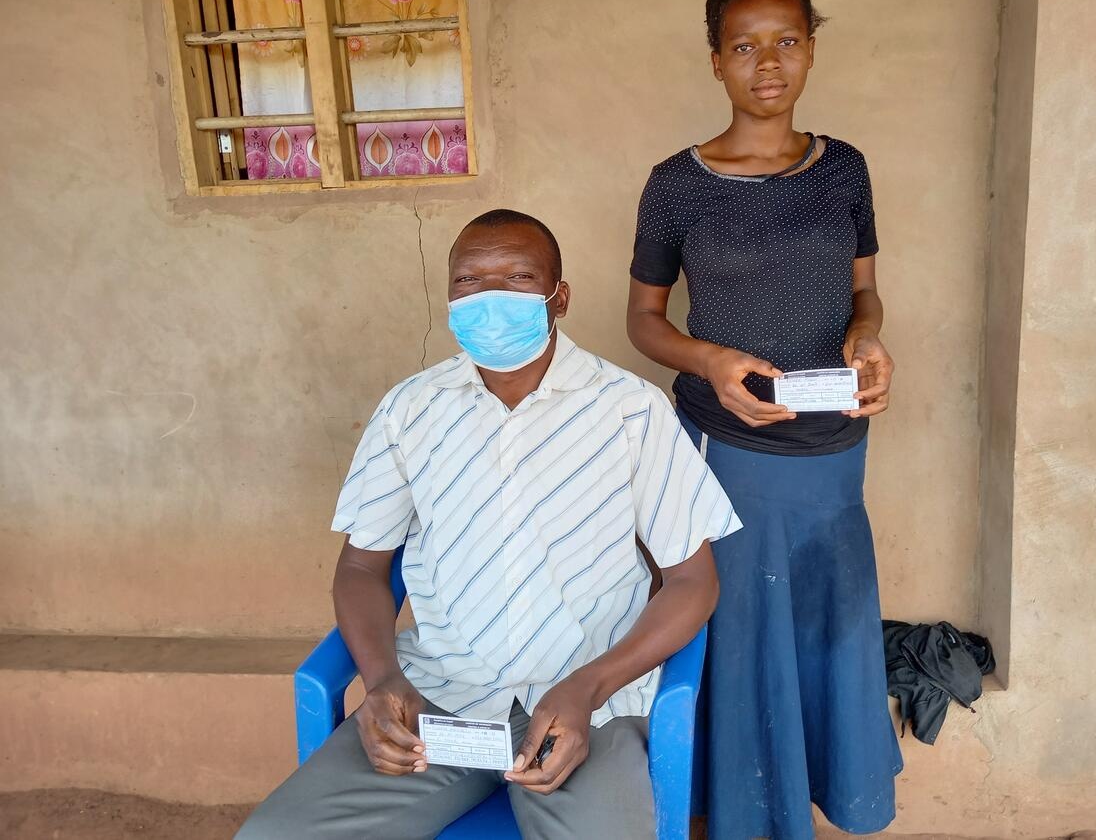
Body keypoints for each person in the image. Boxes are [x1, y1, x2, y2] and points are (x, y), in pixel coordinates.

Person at [237, 209, 741, 840]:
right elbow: (363, 566)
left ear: (559, 297)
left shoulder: (631, 410)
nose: (490, 298)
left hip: (586, 706)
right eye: (470, 283)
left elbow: (693, 582)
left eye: (518, 277)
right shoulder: (409, 411)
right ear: (449, 298)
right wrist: (384, 680)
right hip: (442, 698)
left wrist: (590, 686)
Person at [625, 0, 902, 840]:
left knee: (827, 617)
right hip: (723, 449)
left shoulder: (845, 169)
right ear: (716, 62)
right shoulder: (677, 183)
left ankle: (822, 799)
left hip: (834, 450)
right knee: (736, 629)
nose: (767, 62)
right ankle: (739, 817)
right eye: (744, 46)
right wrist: (708, 360)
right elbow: (642, 320)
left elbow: (865, 295)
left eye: (786, 40)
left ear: (811, 49)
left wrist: (867, 341)